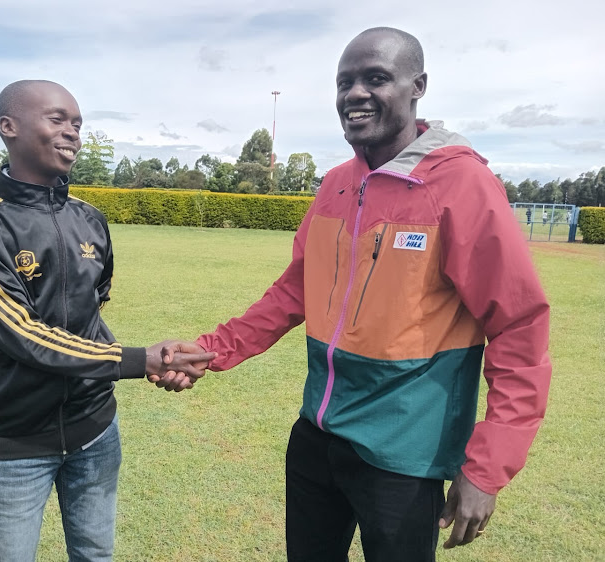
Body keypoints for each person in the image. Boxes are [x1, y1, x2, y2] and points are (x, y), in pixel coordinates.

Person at [160, 27, 551, 561]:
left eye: (376, 79)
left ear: (418, 87)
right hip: (317, 436)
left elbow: (518, 325)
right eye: (345, 82)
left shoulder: (462, 185)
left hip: (404, 454)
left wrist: (488, 466)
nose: (355, 94)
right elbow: (294, 291)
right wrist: (213, 349)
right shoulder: (338, 183)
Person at [0, 80, 214, 562]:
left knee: (95, 555)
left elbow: (94, 302)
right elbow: (19, 332)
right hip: (16, 438)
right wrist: (140, 359)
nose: (72, 132)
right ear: (8, 127)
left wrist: (147, 362)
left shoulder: (90, 218)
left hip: (95, 430)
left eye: (78, 124)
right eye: (57, 119)